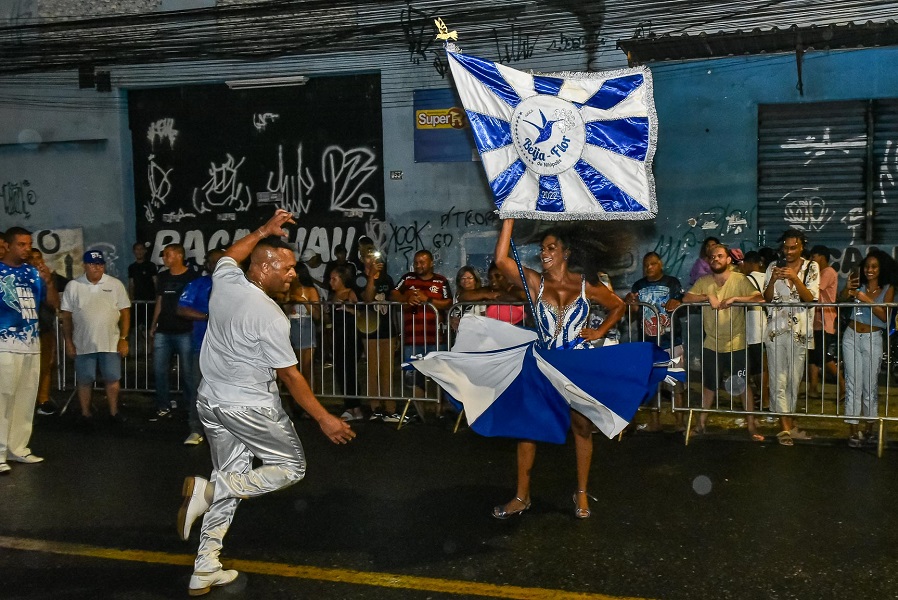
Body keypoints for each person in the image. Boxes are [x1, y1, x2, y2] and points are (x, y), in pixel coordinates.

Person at [177, 209, 354, 596]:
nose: (293, 274)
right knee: (290, 468)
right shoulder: (271, 316)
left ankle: (204, 565)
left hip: (211, 402)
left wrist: (261, 231)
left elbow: (228, 256)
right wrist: (325, 418)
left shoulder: (225, 282)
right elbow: (291, 376)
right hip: (250, 407)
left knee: (238, 476)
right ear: (265, 266)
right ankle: (211, 490)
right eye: (287, 268)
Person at [492, 219, 625, 520]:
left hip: (576, 365)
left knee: (581, 427)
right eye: (542, 248)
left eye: (551, 248)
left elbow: (617, 305)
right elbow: (501, 260)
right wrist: (509, 219)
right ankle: (521, 497)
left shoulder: (584, 284)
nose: (544, 253)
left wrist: (599, 330)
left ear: (566, 253)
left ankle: (580, 493)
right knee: (528, 430)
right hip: (543, 364)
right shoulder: (536, 283)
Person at [682, 243, 763, 440]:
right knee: (709, 386)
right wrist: (706, 296)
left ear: (728, 260)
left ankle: (751, 426)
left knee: (743, 385)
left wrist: (736, 298)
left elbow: (759, 299)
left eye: (720, 256)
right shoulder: (704, 281)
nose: (715, 259)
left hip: (737, 342)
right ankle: (701, 425)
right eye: (712, 257)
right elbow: (686, 298)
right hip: (712, 342)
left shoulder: (739, 279)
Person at [0, 227, 58, 473]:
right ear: (9, 246)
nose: (27, 249)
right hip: (4, 345)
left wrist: (48, 281)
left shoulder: (33, 273)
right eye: (22, 245)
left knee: (25, 400)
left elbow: (53, 304)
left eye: (28, 244)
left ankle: (18, 448)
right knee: (3, 399)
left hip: (31, 345)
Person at [60, 250, 130, 425]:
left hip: (110, 342)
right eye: (92, 264)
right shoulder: (73, 286)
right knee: (84, 380)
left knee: (113, 379)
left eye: (100, 264)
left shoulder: (115, 284)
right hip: (83, 343)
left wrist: (124, 338)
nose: (97, 267)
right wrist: (68, 342)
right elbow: (66, 316)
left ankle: (114, 412)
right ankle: (85, 414)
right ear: (85, 265)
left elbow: (125, 312)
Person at [762, 230, 819, 446]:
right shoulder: (772, 267)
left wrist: (795, 278)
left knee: (794, 379)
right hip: (776, 331)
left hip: (800, 332)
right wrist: (772, 280)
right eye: (786, 247)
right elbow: (766, 299)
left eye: (793, 247)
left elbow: (810, 299)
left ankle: (790, 423)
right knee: (778, 378)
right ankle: (784, 428)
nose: (788, 251)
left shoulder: (811, 267)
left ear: (802, 246)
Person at [839, 249, 896, 447]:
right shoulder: (858, 285)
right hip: (851, 336)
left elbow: (884, 316)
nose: (869, 270)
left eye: (874, 267)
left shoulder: (888, 288)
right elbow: (840, 301)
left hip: (872, 338)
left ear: (881, 269)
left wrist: (866, 300)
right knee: (853, 384)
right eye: (867, 266)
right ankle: (853, 431)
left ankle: (870, 428)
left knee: (869, 386)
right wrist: (847, 290)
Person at [625, 251, 685, 432]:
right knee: (652, 384)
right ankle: (655, 421)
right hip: (648, 342)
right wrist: (630, 302)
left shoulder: (672, 283)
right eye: (646, 265)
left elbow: (681, 301)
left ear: (661, 264)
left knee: (676, 383)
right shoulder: (639, 285)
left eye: (652, 264)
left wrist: (678, 301)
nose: (649, 267)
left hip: (671, 340)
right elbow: (633, 311)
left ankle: (680, 421)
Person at [389, 250, 452, 423]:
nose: (419, 265)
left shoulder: (441, 281)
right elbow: (393, 292)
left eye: (422, 262)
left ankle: (440, 413)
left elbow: (449, 303)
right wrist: (405, 297)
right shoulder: (408, 279)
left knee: (440, 377)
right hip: (412, 339)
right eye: (416, 262)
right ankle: (420, 415)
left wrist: (428, 300)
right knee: (414, 378)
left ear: (431, 263)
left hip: (435, 339)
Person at [176, 248, 226, 445]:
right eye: (213, 262)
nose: (217, 265)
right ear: (208, 264)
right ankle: (196, 429)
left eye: (221, 261)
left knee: (230, 391)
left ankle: (228, 429)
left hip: (232, 350)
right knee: (200, 390)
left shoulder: (240, 285)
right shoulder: (198, 284)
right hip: (202, 346)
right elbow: (181, 309)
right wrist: (207, 317)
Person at [149, 243, 199, 421]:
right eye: (164, 255)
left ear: (179, 256)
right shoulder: (162, 277)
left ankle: (190, 405)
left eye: (168, 255)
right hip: (164, 329)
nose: (165, 258)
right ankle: (163, 405)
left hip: (185, 329)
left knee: (188, 372)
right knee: (159, 370)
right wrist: (153, 324)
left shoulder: (192, 276)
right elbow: (160, 301)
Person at [28, 248, 69, 416]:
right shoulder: (21, 277)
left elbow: (54, 304)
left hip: (44, 328)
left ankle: (43, 400)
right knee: (27, 370)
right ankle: (28, 401)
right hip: (27, 332)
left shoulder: (47, 278)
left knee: (46, 366)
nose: (37, 261)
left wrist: (48, 283)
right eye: (33, 258)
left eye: (40, 258)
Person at [356, 249, 396, 421]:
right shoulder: (360, 278)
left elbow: (395, 297)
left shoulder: (387, 278)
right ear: (363, 260)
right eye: (368, 257)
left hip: (387, 328)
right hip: (369, 328)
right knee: (373, 369)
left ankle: (390, 407)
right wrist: (371, 276)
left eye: (375, 257)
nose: (372, 260)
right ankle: (375, 407)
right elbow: (367, 297)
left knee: (387, 369)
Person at [807, 245, 843, 399]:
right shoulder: (821, 272)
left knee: (822, 356)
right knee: (813, 355)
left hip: (824, 320)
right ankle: (813, 389)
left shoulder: (827, 272)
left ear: (821, 257)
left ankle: (843, 385)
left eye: (813, 257)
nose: (811, 260)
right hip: (816, 320)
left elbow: (814, 289)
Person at [329, 265, 362, 421]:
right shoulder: (333, 295)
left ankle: (355, 406)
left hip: (351, 335)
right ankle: (349, 405)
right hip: (338, 336)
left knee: (350, 371)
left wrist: (349, 309)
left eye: (334, 279)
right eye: (330, 279)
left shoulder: (350, 293)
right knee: (340, 371)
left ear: (342, 279)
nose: (331, 282)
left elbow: (361, 313)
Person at [738, 250, 770, 412]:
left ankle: (764, 399)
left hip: (753, 330)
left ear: (750, 264)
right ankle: (764, 398)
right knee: (764, 366)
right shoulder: (769, 278)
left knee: (759, 368)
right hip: (769, 329)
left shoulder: (746, 280)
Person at [127, 242, 158, 352]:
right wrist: (130, 300)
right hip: (136, 302)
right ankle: (140, 349)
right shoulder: (132, 267)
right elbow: (131, 284)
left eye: (141, 249)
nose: (139, 252)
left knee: (150, 327)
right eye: (136, 249)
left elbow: (155, 283)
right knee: (134, 327)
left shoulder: (151, 266)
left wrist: (157, 299)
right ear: (134, 252)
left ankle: (151, 350)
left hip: (150, 301)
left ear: (145, 251)